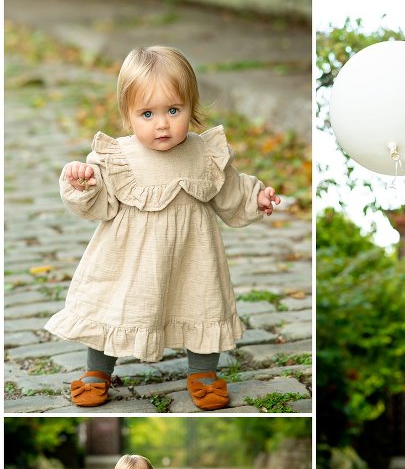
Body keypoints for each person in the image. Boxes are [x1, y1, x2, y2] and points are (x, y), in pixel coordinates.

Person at [45, 45, 280, 410]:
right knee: (115, 306)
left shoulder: (204, 153)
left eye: (174, 110)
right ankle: (97, 371)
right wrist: (83, 185)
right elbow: (98, 204)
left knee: (201, 303)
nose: (162, 123)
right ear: (127, 114)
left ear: (191, 106)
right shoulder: (118, 157)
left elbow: (229, 191)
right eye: (147, 113)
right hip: (129, 262)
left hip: (192, 257)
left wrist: (256, 198)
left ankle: (203, 371)